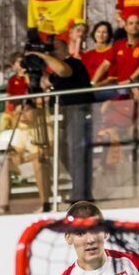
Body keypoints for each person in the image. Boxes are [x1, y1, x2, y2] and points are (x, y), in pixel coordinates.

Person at [39, 38, 94, 204]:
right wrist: (38, 67)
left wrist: (42, 55)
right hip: (63, 116)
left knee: (76, 150)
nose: (51, 53)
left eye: (54, 50)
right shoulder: (56, 73)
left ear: (64, 50)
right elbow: (45, 82)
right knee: (64, 152)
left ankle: (80, 194)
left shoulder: (73, 63)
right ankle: (81, 187)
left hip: (78, 111)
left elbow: (63, 70)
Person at [95, 15, 139, 101]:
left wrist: (129, 81)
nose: (134, 26)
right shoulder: (118, 44)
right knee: (92, 94)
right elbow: (105, 65)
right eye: (131, 23)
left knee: (118, 96)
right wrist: (93, 83)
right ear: (125, 27)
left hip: (136, 86)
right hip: (119, 85)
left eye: (137, 23)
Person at [80, 21, 116, 86]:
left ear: (109, 35)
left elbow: (112, 79)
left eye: (104, 32)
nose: (101, 35)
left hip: (104, 87)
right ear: (94, 33)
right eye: (98, 32)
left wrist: (95, 86)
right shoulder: (89, 54)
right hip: (87, 87)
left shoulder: (113, 51)